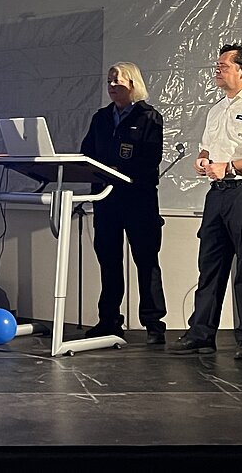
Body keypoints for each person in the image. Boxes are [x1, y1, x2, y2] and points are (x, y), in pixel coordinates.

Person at [168, 44, 242, 360]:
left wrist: (229, 166)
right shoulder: (217, 108)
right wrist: (203, 159)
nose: (217, 71)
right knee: (210, 265)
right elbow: (208, 148)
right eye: (217, 66)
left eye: (223, 66)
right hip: (218, 194)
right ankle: (201, 334)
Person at [80, 62, 167, 344]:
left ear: (132, 84)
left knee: (146, 261)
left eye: (117, 80)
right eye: (109, 81)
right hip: (106, 200)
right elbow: (86, 153)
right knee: (109, 261)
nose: (112, 85)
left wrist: (120, 170)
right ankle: (109, 321)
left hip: (138, 200)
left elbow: (150, 159)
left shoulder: (149, 117)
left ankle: (154, 325)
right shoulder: (101, 118)